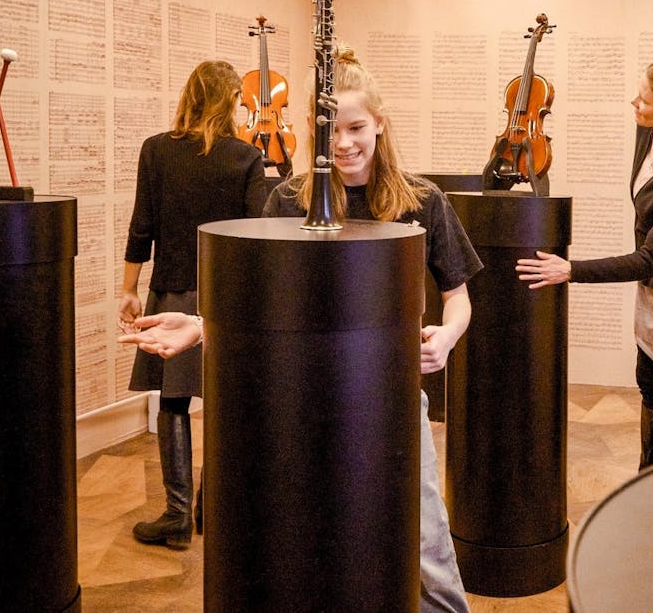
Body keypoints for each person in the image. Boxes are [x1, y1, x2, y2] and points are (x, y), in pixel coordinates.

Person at [120, 47, 480, 613]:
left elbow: (458, 298)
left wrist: (447, 335)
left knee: (426, 540)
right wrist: (199, 325)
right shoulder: (287, 199)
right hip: (302, 408)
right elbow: (259, 308)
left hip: (390, 400)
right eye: (329, 129)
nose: (343, 143)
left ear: (379, 125)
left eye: (357, 127)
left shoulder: (422, 200)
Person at [516, 56, 653, 470]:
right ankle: (649, 478)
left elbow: (651, 258)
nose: (634, 104)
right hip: (651, 295)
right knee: (650, 387)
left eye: (644, 100)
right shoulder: (648, 134)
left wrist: (571, 270)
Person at [119, 60, 267, 549]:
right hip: (226, 301)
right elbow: (257, 234)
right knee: (225, 404)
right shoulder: (246, 158)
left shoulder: (156, 150)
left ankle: (177, 515)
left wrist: (129, 289)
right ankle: (212, 509)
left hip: (170, 292)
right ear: (230, 102)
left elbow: (143, 227)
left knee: (173, 404)